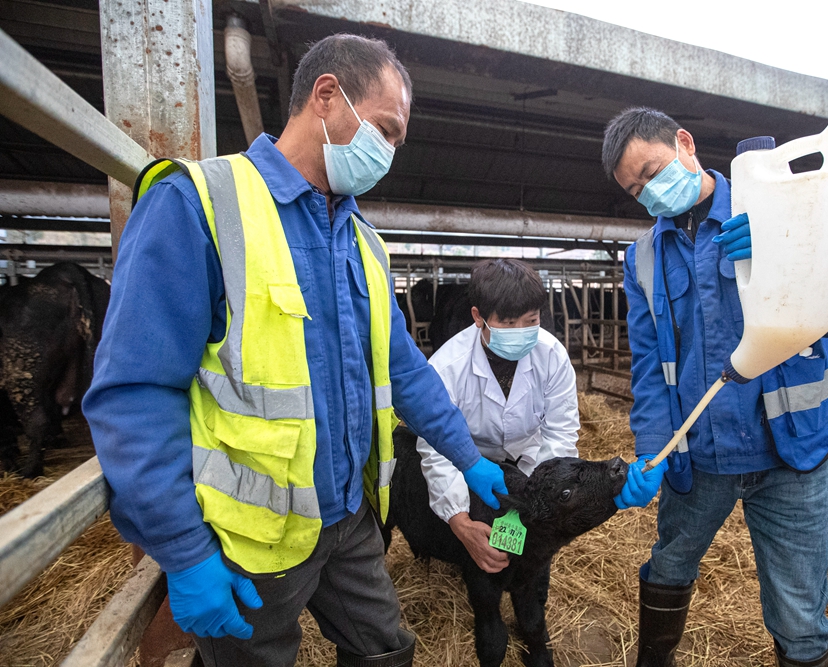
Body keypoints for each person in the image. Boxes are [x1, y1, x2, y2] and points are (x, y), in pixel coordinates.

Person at [82, 34, 509, 667]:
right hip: (252, 543)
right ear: (328, 96)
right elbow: (135, 392)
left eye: (397, 141)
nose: (389, 153)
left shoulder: (362, 239)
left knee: (386, 650)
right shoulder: (199, 203)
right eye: (385, 131)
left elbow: (402, 367)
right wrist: (185, 553)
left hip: (349, 518)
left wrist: (466, 455)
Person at [601, 108, 828, 667]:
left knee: (800, 614)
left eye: (653, 171)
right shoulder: (644, 258)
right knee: (669, 566)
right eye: (636, 190)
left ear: (685, 143)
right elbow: (650, 367)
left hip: (791, 452)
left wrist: (788, 249)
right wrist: (653, 447)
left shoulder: (782, 197)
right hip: (699, 457)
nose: (650, 192)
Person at [416, 258, 580, 574]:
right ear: (478, 317)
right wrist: (459, 520)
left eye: (531, 321)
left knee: (531, 560)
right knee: (478, 551)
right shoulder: (447, 366)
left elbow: (560, 434)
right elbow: (435, 448)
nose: (521, 332)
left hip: (530, 458)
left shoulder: (553, 356)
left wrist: (538, 499)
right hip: (468, 461)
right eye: (507, 323)